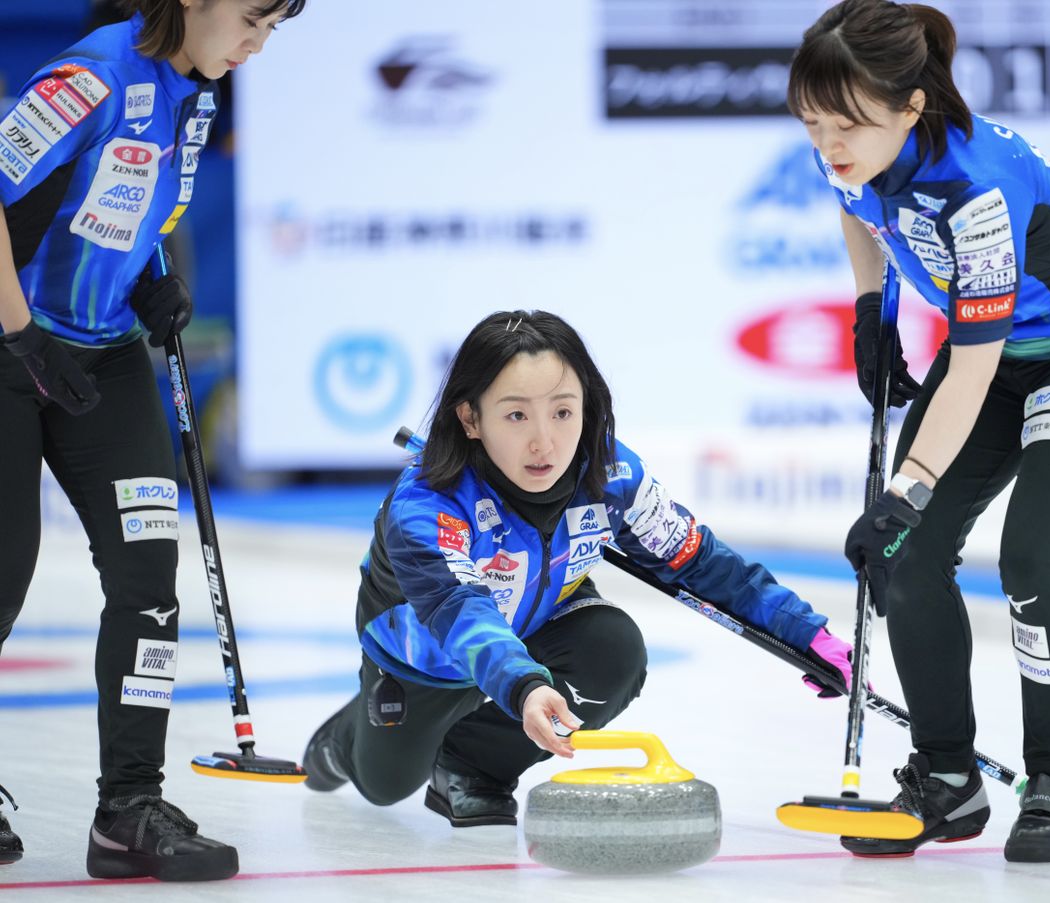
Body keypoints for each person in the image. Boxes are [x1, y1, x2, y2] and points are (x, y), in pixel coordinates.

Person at [788, 0, 1050, 863]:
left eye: (846, 123)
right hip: (988, 351)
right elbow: (855, 200)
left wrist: (906, 489)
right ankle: (947, 778)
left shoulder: (976, 189)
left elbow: (978, 365)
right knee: (904, 554)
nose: (829, 143)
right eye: (812, 123)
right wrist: (869, 306)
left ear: (911, 106)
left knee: (1030, 558)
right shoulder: (850, 148)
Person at [301, 310, 857, 826]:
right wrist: (520, 685)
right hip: (427, 656)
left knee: (612, 651)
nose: (544, 441)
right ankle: (344, 738)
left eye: (563, 411)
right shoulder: (427, 504)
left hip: (540, 627)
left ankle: (472, 766)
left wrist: (805, 632)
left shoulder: (612, 476)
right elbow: (459, 610)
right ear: (470, 417)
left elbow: (703, 563)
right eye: (516, 414)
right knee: (384, 785)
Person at [0, 0, 306, 881]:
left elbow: (123, 211)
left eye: (273, 29)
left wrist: (150, 281)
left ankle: (127, 807)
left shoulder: (196, 93)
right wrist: (23, 336)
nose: (258, 43)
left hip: (107, 357)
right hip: (11, 347)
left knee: (148, 582)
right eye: (254, 19)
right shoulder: (91, 75)